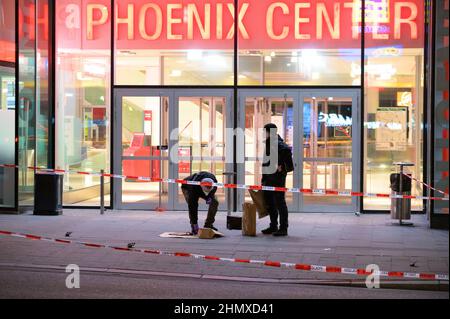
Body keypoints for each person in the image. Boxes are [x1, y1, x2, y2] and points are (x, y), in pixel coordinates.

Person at [261, 123, 294, 237]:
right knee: (270, 202)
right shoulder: (270, 142)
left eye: (265, 131)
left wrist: (282, 166)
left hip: (277, 179)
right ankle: (273, 225)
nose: (263, 133)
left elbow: (287, 152)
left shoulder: (278, 143)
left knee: (280, 203)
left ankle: (283, 228)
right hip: (269, 178)